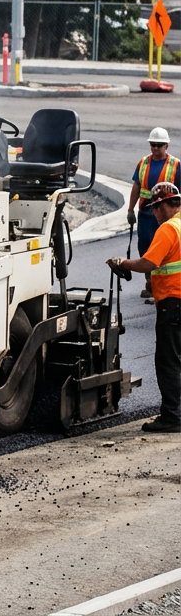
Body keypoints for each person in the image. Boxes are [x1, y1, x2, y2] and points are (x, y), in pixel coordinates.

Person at [110, 181, 181, 432]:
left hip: (173, 302)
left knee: (168, 360)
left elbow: (148, 263)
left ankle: (173, 417)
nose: (155, 214)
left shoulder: (168, 229)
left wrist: (123, 262)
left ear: (162, 206)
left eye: (155, 209)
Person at [128, 127, 180, 302]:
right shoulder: (143, 163)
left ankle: (165, 285)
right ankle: (150, 283)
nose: (155, 148)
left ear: (166, 146)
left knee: (166, 248)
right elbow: (136, 186)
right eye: (152, 145)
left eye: (158, 145)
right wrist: (130, 209)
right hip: (146, 213)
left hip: (168, 214)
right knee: (146, 247)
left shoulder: (176, 165)